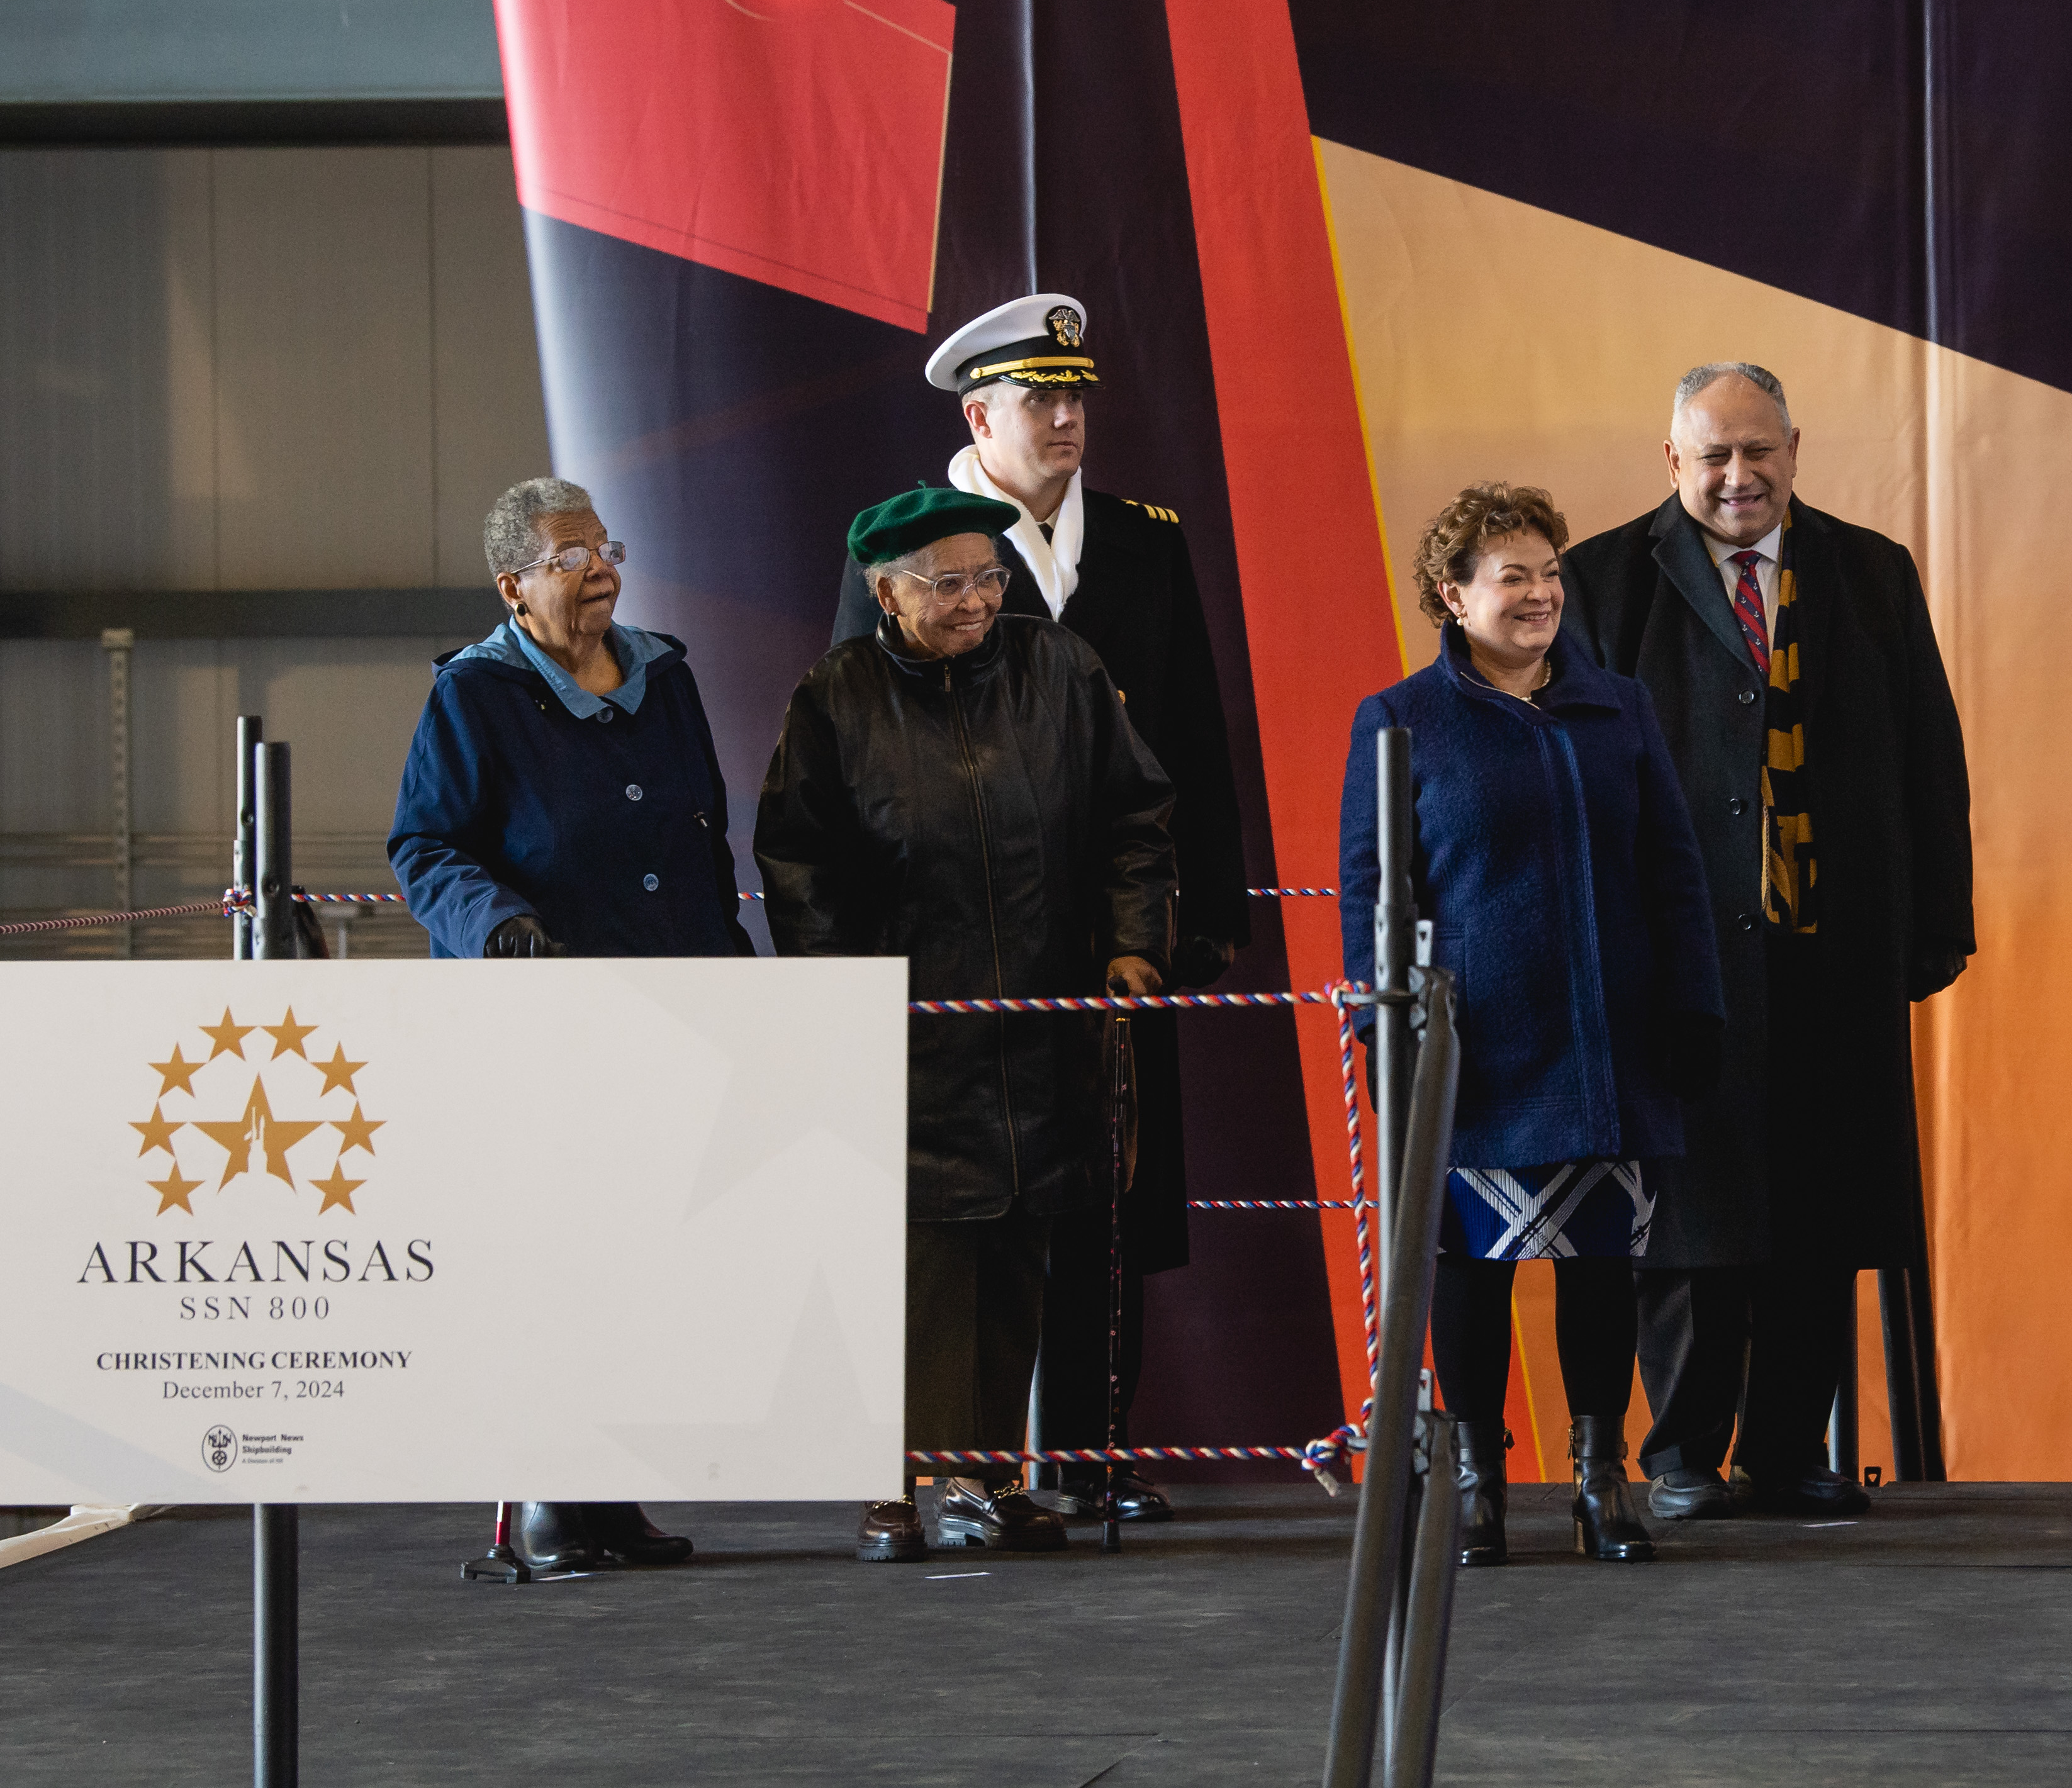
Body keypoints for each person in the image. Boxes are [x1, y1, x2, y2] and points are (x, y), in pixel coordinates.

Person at [835, 293, 1250, 1526]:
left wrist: (1201, 907)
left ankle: (1086, 1453)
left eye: (1077, 397)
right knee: (972, 1207)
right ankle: (956, 1468)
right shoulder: (917, 544)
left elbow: (1192, 730)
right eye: (1040, 399)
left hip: (1114, 932)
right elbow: (860, 750)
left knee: (1109, 1198)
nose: (1069, 417)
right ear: (979, 414)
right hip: (967, 942)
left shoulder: (1144, 537)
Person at [1560, 362, 1974, 1521]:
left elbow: (1928, 762)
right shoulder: (1602, 582)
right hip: (1674, 965)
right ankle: (1685, 1454)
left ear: (1796, 448)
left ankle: (1793, 1451)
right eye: (1714, 457)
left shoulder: (1872, 573)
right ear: (1672, 463)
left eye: (1761, 452)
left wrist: (1937, 921)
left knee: (1820, 1207)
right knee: (1687, 1221)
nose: (1739, 477)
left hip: (1833, 949)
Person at [759, 486, 1176, 1564]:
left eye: (989, 577)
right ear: (885, 593)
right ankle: (911, 1482)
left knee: (1018, 1247)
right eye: (948, 584)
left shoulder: (1061, 672)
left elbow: (1137, 815)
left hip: (1042, 1027)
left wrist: (1134, 942)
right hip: (909, 1031)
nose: (978, 600)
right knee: (923, 1263)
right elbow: (796, 856)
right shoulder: (837, 696)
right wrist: (839, 989)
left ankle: (986, 1476)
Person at [1340, 483, 1724, 1567]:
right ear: (1454, 597)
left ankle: (1604, 1488)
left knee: (1604, 1269)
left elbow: (1674, 872)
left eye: (1551, 574)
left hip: (1610, 1043)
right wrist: (1391, 1033)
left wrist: (1695, 1006)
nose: (1542, 594)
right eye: (1514, 576)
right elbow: (1376, 895)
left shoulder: (1619, 707)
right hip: (1473, 1053)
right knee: (1471, 1269)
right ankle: (1480, 1491)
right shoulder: (1401, 719)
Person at [390, 474, 754, 1575]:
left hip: (679, 1003)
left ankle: (616, 1495)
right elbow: (424, 848)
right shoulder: (476, 695)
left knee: (648, 1260)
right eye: (568, 556)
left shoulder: (666, 674)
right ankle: (552, 1497)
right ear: (514, 585)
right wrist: (497, 926)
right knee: (560, 1260)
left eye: (604, 548)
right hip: (553, 1020)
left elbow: (706, 836)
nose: (600, 568)